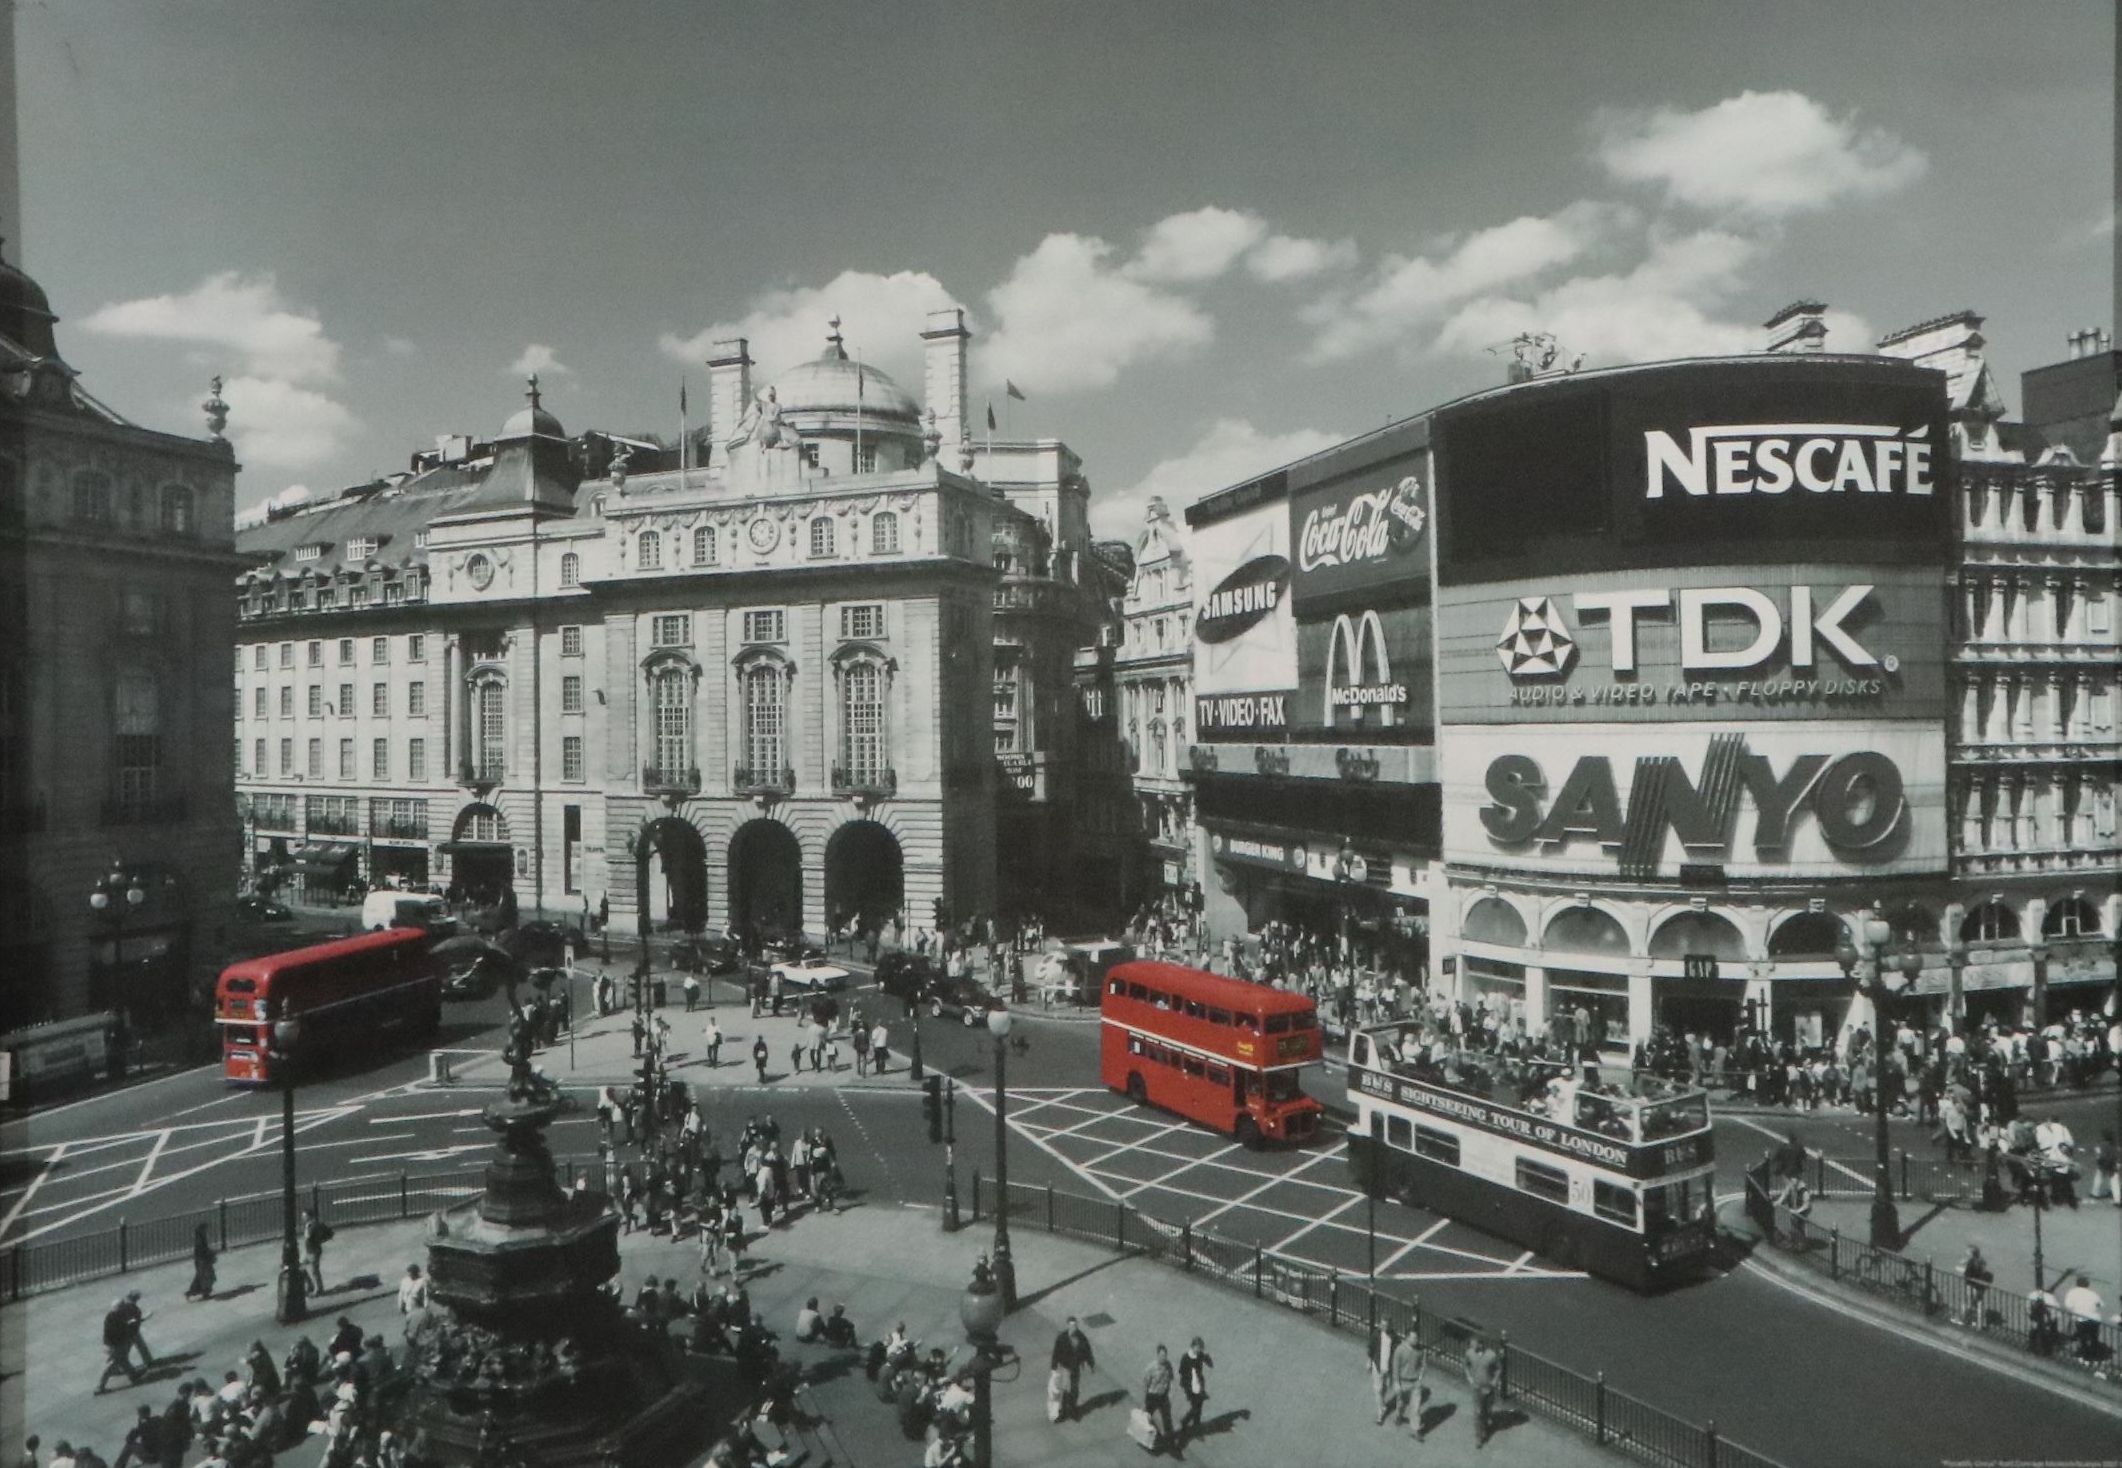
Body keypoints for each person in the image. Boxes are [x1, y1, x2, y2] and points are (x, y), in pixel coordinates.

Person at [1379, 1328, 1427, 1435]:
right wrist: (1396, 1382)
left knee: (1416, 1407)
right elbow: (1395, 1366)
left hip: (1415, 1383)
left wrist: (1420, 1378)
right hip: (1403, 1381)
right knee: (1401, 1403)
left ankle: (1416, 1429)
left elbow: (1423, 1365)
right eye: (1413, 1337)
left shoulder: (1421, 1351)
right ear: (1407, 1338)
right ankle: (1399, 1415)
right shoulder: (1400, 1350)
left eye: (1417, 1338)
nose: (1416, 1340)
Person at [1049, 1316, 1094, 1422]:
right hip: (1065, 1367)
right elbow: (1056, 1353)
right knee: (1065, 1390)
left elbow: (1087, 1351)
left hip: (1075, 1367)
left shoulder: (1081, 1337)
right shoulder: (1062, 1338)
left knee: (1074, 1390)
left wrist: (1090, 1364)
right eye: (1071, 1325)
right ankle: (1064, 1412)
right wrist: (1054, 1367)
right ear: (1068, 1325)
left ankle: (1073, 1410)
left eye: (1075, 1325)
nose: (1074, 1328)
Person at [97, 1299, 143, 1392]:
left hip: (115, 1344)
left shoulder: (114, 1315)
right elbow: (117, 1331)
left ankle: (133, 1375)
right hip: (115, 1345)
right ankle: (100, 1387)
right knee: (112, 1365)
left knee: (123, 1360)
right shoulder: (113, 1318)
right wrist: (129, 1325)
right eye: (123, 1306)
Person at [1466, 1337, 1504, 1449]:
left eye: (1474, 1344)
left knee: (1487, 1410)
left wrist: (1494, 1381)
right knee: (1477, 1412)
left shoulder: (1491, 1355)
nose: (1472, 1347)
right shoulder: (1469, 1353)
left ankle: (1486, 1424)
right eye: (1471, 1345)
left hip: (1488, 1388)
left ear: (1481, 1344)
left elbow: (1499, 1368)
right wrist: (1469, 1377)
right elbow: (1465, 1365)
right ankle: (1479, 1438)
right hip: (1476, 1388)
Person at [1140, 1345, 1177, 1456]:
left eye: (1165, 1355)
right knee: (1146, 1420)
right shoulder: (1151, 1368)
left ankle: (1171, 1446)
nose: (1163, 1358)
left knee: (1167, 1420)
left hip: (1163, 1397)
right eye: (1161, 1355)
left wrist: (1170, 1394)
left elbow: (1171, 1379)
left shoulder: (1168, 1365)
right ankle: (1147, 1442)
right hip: (1152, 1396)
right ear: (1157, 1355)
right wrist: (1144, 1401)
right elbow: (1145, 1384)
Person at [1176, 1337, 1213, 1443]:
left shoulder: (1200, 1355)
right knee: (1196, 1409)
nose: (1198, 1350)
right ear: (1192, 1346)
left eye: (1200, 1348)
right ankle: (1185, 1422)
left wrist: (1207, 1357)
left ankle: (1196, 1429)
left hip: (1199, 1385)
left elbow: (1210, 1364)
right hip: (1189, 1387)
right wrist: (1185, 1386)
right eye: (1197, 1347)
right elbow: (1181, 1372)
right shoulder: (1185, 1357)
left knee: (1198, 1409)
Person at [2062, 1275, 2106, 1359]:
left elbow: (2068, 1305)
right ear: (2087, 1285)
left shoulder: (2072, 1292)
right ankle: (2094, 1355)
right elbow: (2101, 1305)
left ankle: (2084, 1354)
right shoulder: (2093, 1293)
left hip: (2081, 1318)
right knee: (2094, 1337)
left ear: (2077, 1284)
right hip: (2094, 1319)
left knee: (2082, 1338)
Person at [1959, 1243, 1994, 1328]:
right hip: (1980, 1286)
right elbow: (1982, 1269)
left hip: (1971, 1285)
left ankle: (1965, 1320)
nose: (1966, 1253)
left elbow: (1967, 1274)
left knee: (1968, 1303)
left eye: (1968, 1252)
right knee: (1978, 1304)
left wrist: (1963, 1270)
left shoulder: (1971, 1263)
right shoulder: (1981, 1261)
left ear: (1971, 1253)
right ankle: (1979, 1323)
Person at [302, 1209, 333, 1294]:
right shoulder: (309, 1225)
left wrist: (319, 1240)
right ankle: (310, 1285)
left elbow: (308, 1237)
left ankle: (318, 1289)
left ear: (309, 1216)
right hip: (309, 1251)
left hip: (314, 1251)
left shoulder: (313, 1225)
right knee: (301, 1267)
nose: (303, 1218)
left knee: (314, 1271)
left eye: (304, 1216)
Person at [186, 1225, 217, 1302]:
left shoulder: (201, 1239)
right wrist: (210, 1255)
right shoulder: (200, 1240)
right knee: (207, 1277)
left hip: (202, 1261)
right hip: (203, 1262)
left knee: (201, 1277)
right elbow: (202, 1251)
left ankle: (193, 1292)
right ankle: (204, 1293)